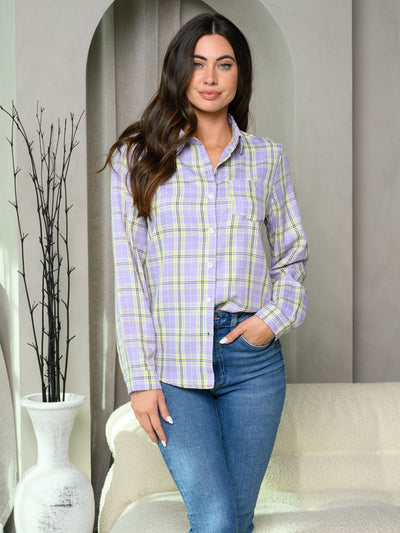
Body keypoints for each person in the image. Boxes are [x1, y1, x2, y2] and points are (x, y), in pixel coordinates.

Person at [106, 12, 308, 533]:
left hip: (252, 362)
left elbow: (292, 253)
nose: (210, 77)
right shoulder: (139, 157)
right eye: (198, 64)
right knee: (216, 519)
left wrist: (270, 321)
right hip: (174, 363)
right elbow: (130, 277)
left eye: (224, 64)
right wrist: (141, 380)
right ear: (180, 71)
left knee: (234, 521)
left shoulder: (267, 159)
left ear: (240, 74)